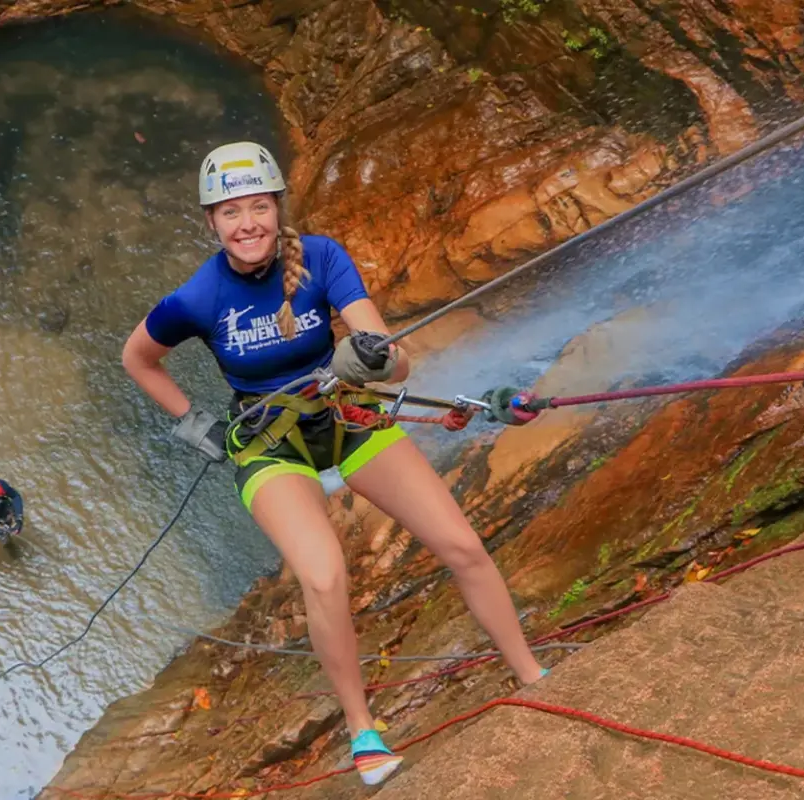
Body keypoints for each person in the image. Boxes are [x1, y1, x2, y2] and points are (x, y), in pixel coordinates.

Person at [120, 141, 548, 786]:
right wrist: (193, 421)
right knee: (324, 576)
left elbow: (397, 362)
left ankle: (532, 673)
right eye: (231, 212)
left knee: (460, 543)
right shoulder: (196, 297)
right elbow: (138, 358)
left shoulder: (320, 257)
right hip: (271, 445)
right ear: (211, 223)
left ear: (277, 208)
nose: (247, 224)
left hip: (349, 417)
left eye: (259, 207)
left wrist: (373, 357)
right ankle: (362, 731)